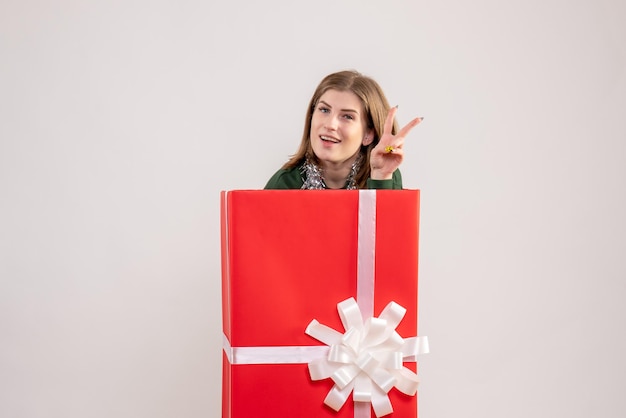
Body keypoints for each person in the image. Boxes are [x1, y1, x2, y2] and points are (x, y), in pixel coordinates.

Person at [264, 70, 422, 190]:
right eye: (324, 110)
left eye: (347, 116)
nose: (330, 124)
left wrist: (381, 178)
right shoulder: (285, 183)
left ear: (368, 134)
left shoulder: (385, 176)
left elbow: (391, 232)